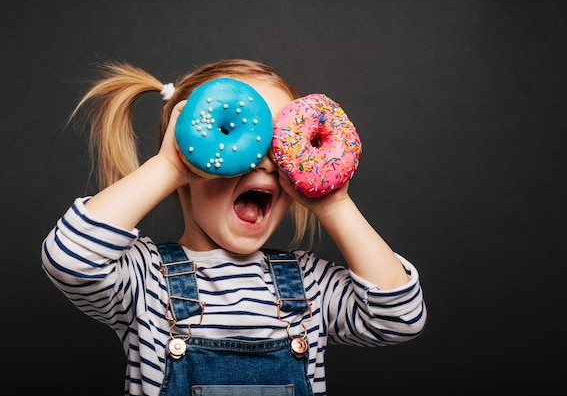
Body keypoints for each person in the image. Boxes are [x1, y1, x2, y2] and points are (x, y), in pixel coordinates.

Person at [41, 59, 426, 396]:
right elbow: (70, 259)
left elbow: (399, 318)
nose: (266, 163)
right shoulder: (146, 280)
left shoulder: (310, 284)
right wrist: (168, 167)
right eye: (243, 139)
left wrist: (334, 202)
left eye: (279, 146)